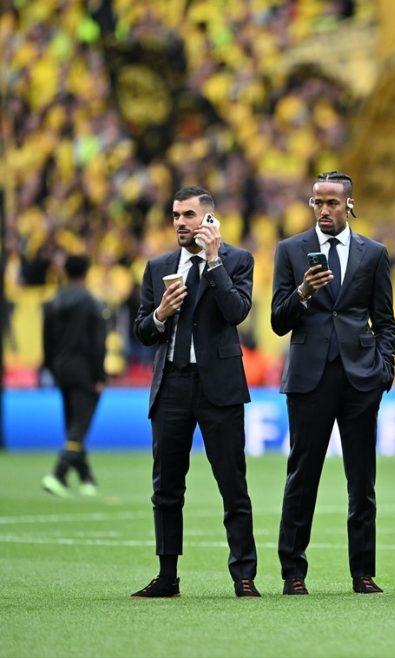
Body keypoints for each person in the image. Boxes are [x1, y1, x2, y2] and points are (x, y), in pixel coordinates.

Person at [130, 186, 259, 598]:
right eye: (175, 215)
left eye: (188, 215)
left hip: (218, 386)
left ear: (209, 219)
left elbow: (237, 311)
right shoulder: (158, 267)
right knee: (166, 487)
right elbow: (142, 332)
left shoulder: (237, 259)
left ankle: (244, 576)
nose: (180, 223)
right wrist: (161, 313)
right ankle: (167, 576)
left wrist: (214, 261)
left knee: (232, 484)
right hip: (172, 384)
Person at [272, 171, 395, 596]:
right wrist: (303, 292)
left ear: (349, 205)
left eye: (332, 203)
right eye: (317, 203)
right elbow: (277, 320)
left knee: (361, 479)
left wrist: (385, 369)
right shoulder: (290, 250)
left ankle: (363, 573)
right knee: (302, 475)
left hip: (360, 378)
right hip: (309, 378)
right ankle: (293, 572)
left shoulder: (374, 253)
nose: (324, 210)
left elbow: (385, 319)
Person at [41, 255, 107, 498]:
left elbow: (46, 342)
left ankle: (86, 478)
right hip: (85, 371)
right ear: (87, 272)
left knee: (72, 425)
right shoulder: (91, 303)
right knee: (79, 427)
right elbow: (97, 343)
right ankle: (58, 474)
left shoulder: (52, 303)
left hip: (61, 369)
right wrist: (100, 375)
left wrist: (51, 368)